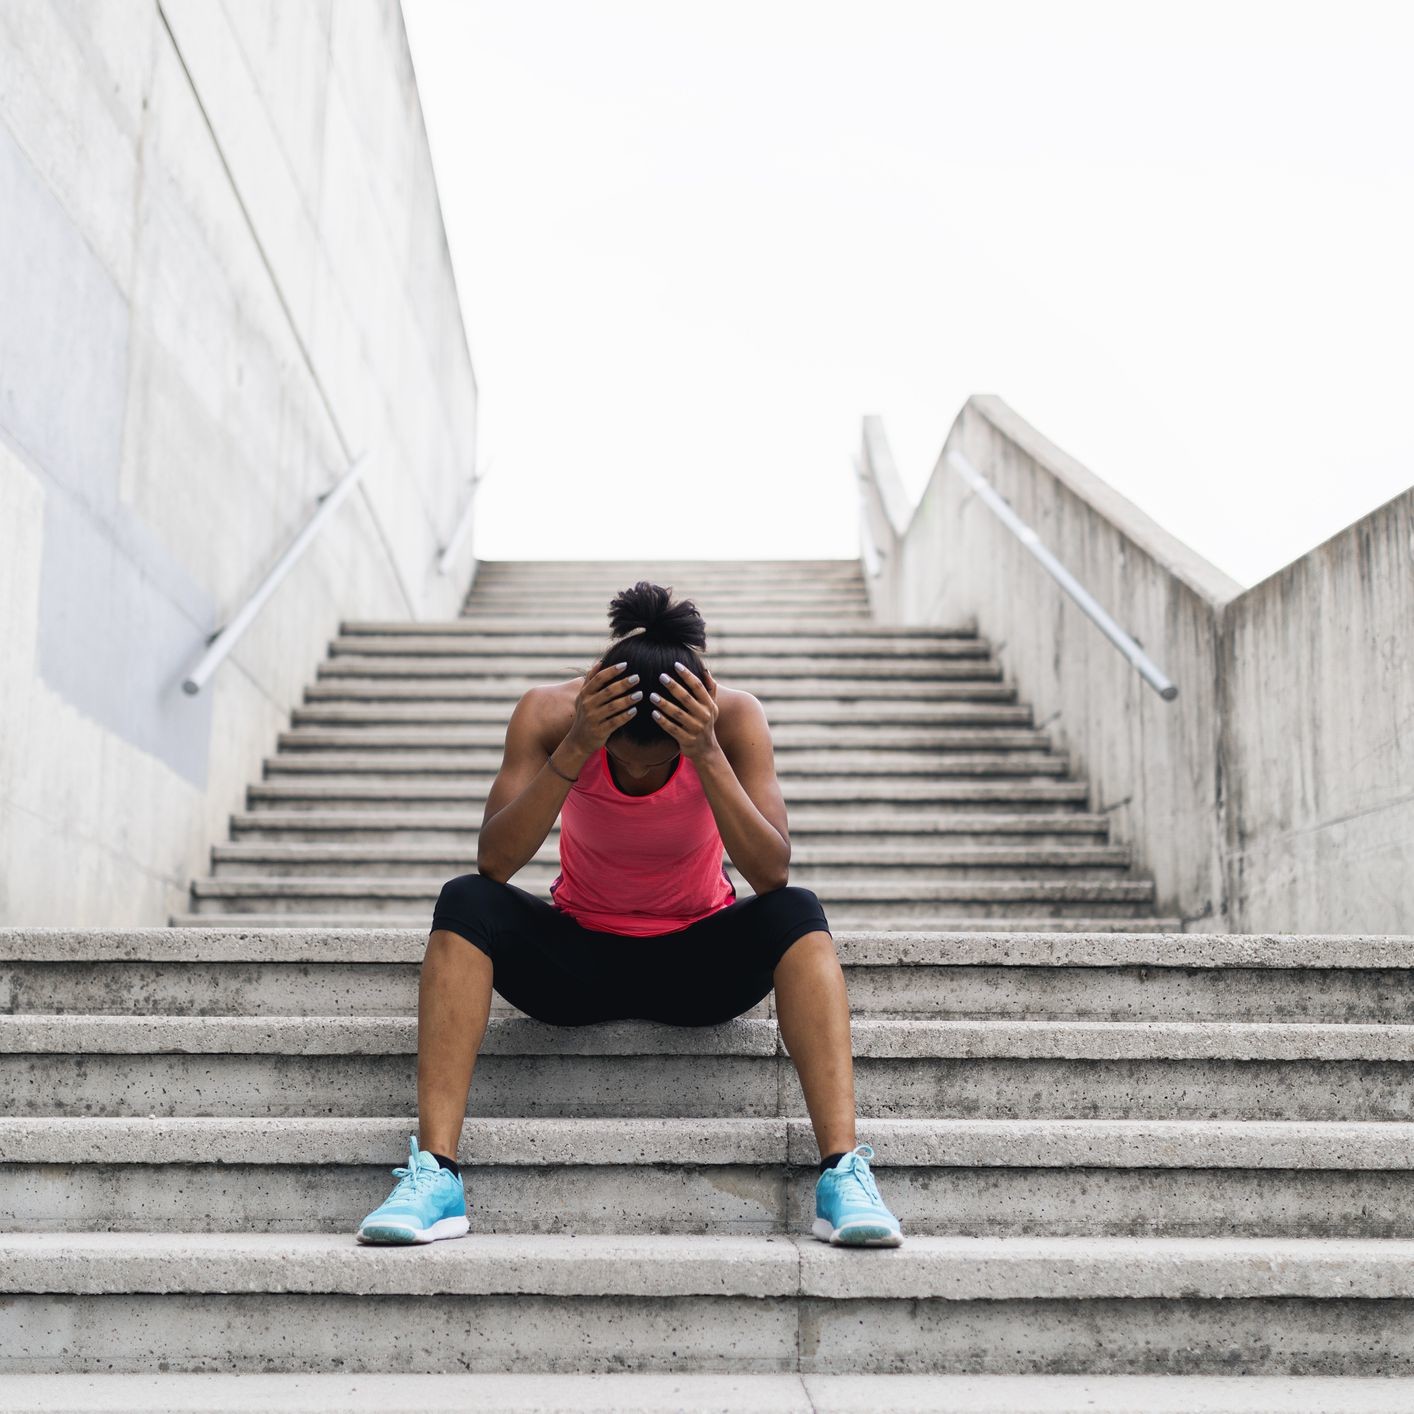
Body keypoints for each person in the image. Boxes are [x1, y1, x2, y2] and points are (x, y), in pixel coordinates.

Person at [355, 581, 903, 1248]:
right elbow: (494, 862)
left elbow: (771, 873)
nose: (640, 776)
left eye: (659, 763)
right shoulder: (549, 715)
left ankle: (842, 1175)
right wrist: (578, 745)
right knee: (465, 899)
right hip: (577, 962)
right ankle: (436, 1178)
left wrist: (705, 752)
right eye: (623, 760)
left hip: (698, 966)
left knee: (798, 911)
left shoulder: (732, 721)